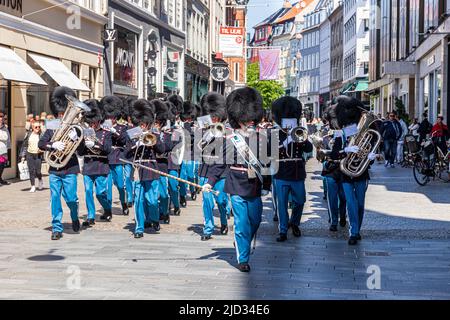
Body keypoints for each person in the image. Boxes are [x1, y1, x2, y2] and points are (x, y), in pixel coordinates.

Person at [204, 87, 271, 272]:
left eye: (252, 117)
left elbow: (268, 163)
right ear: (239, 117)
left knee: (255, 220)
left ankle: (242, 243)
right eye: (247, 118)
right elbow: (219, 163)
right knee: (241, 223)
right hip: (235, 184)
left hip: (254, 184)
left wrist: (267, 184)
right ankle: (243, 258)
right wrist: (210, 181)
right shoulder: (231, 138)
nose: (250, 120)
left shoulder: (261, 137)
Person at [323, 96, 377, 245]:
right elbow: (334, 154)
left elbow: (371, 152)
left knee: (360, 204)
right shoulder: (341, 134)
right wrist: (345, 149)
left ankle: (357, 229)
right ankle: (353, 232)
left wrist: (371, 157)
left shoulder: (367, 134)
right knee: (351, 204)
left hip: (362, 173)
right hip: (346, 174)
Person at [38, 87, 82, 240]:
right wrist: (52, 145)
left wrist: (75, 138)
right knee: (55, 199)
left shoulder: (75, 128)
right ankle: (56, 228)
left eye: (63, 113)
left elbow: (81, 150)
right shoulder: (52, 125)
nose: (61, 116)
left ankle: (75, 216)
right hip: (55, 170)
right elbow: (41, 143)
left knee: (70, 198)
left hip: (69, 168)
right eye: (60, 113)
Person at [270, 96, 313, 242]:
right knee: (281, 204)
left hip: (297, 172)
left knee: (300, 201)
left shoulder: (299, 132)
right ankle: (282, 230)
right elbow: (271, 151)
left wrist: (301, 137)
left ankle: (294, 223)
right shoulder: (275, 134)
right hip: (281, 172)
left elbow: (309, 148)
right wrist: (287, 140)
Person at [127, 99, 166, 238]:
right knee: (138, 200)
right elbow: (125, 153)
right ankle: (139, 227)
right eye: (140, 124)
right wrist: (136, 143)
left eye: (144, 124)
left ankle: (154, 218)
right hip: (137, 169)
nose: (142, 126)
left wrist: (152, 142)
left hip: (150, 168)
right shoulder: (132, 133)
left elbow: (162, 149)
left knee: (152, 200)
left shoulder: (153, 134)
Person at [197, 93, 231, 241]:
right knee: (207, 201)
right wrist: (203, 136)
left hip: (221, 173)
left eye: (215, 116)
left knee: (222, 201)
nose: (213, 118)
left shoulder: (227, 131)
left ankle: (223, 221)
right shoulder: (203, 129)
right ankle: (208, 228)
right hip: (205, 170)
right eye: (211, 116)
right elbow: (196, 149)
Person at [79, 99, 113, 227]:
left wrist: (96, 145)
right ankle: (91, 216)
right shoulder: (85, 133)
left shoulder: (106, 133)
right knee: (88, 191)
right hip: (88, 165)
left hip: (100, 165)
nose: (92, 124)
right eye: (90, 121)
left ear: (99, 120)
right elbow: (81, 152)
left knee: (100, 192)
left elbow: (108, 149)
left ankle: (107, 208)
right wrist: (81, 143)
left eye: (94, 121)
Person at [102, 95, 130, 218]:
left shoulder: (122, 127)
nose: (110, 119)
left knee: (120, 185)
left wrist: (115, 132)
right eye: (108, 117)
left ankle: (124, 203)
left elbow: (124, 140)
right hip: (106, 160)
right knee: (107, 187)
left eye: (112, 117)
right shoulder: (102, 129)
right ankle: (107, 210)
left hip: (118, 159)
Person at [20, 121, 44, 192]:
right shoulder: (29, 134)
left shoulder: (41, 135)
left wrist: (42, 150)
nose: (38, 128)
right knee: (31, 171)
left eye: (39, 127)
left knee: (38, 171)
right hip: (29, 154)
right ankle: (33, 186)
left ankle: (40, 180)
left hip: (38, 155)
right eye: (36, 127)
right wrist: (23, 156)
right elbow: (24, 145)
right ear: (32, 128)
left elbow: (45, 145)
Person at [0, 111, 11, 185]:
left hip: (3, 150)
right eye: (0, 116)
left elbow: (7, 138)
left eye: (2, 116)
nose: (1, 118)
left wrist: (8, 147)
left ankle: (0, 178)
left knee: (2, 166)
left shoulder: (5, 127)